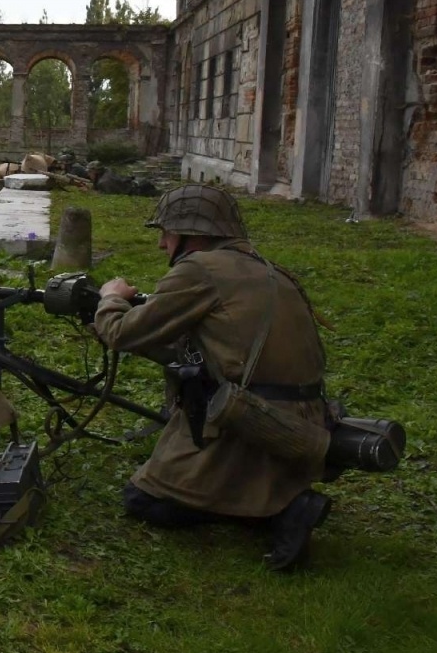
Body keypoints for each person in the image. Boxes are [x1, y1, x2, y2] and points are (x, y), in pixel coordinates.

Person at [91, 184, 332, 572]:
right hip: (298, 417)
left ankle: (278, 511)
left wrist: (110, 298)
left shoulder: (199, 270)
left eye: (166, 232)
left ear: (193, 233)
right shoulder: (264, 267)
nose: (161, 244)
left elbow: (121, 334)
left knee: (142, 498)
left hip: (251, 417)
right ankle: (276, 497)